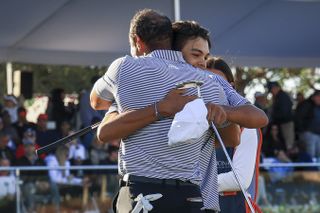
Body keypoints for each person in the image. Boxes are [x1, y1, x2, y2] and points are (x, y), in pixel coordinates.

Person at [93, 10, 267, 213]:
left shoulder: (208, 82)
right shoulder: (208, 83)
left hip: (171, 195)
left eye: (206, 56)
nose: (203, 62)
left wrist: (221, 113)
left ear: (137, 41)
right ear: (175, 50)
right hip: (190, 197)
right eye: (196, 54)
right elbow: (104, 131)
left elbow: (98, 107)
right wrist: (162, 109)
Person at [206, 57, 263, 212]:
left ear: (230, 86)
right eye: (204, 81)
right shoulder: (194, 121)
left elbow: (240, 179)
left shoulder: (247, 126)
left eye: (217, 82)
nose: (210, 88)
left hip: (232, 206)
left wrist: (196, 183)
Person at [267, 81, 295, 151]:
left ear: (277, 88)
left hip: (286, 123)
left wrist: (275, 120)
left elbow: (284, 112)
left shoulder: (283, 96)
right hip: (282, 123)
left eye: (272, 89)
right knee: (284, 143)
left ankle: (289, 158)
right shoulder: (278, 97)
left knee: (289, 145)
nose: (271, 91)